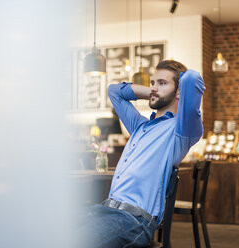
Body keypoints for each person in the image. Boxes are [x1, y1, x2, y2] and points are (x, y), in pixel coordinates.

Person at [78, 60, 205, 248]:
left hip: (133, 221)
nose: (154, 87)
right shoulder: (140, 126)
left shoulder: (181, 130)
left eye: (162, 83)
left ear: (179, 92)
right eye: (152, 83)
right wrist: (153, 92)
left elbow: (193, 79)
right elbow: (114, 91)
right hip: (104, 209)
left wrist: (174, 88)